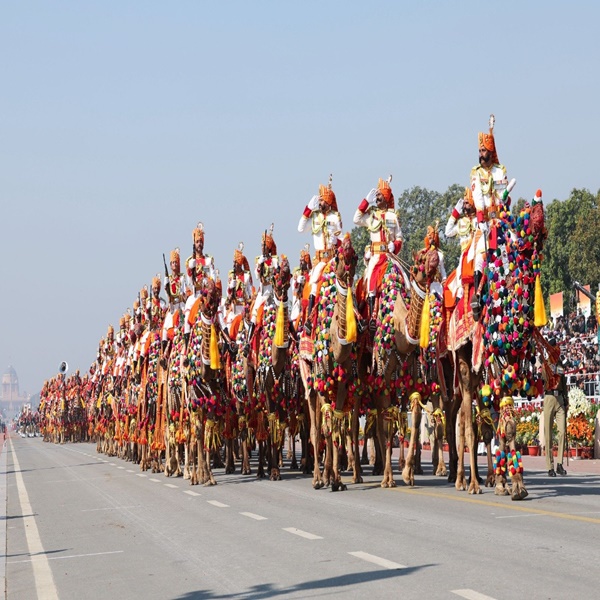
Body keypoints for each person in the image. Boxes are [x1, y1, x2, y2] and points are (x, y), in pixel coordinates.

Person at [469, 115, 509, 320]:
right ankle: (477, 297)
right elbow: (477, 197)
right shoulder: (475, 173)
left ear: (491, 152)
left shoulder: (499, 170)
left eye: (484, 151)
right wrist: (482, 221)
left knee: (511, 251)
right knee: (479, 256)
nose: (481, 154)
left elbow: (502, 195)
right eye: (480, 151)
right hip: (484, 223)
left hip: (500, 220)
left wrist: (502, 206)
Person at [353, 176, 403, 329]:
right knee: (368, 283)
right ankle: (369, 318)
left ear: (386, 197)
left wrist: (395, 245)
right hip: (374, 257)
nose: (377, 197)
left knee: (404, 281)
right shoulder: (370, 215)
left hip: (389, 256)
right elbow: (356, 218)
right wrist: (365, 202)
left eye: (379, 194)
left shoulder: (393, 217)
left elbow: (400, 237)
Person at [298, 176, 343, 334]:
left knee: (344, 283)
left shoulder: (334, 217)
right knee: (315, 281)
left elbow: (339, 237)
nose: (320, 203)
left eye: (322, 200)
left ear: (328, 202)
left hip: (332, 259)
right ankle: (309, 320)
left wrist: (338, 243)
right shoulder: (314, 217)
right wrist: (307, 209)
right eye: (319, 200)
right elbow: (300, 228)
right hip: (319, 261)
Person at [542, 337, 568, 477]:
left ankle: (559, 463)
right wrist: (551, 368)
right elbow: (544, 379)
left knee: (562, 431)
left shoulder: (561, 365)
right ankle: (549, 466)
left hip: (560, 399)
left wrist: (566, 399)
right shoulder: (546, 364)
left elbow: (564, 383)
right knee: (548, 434)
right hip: (549, 397)